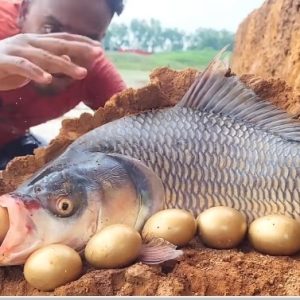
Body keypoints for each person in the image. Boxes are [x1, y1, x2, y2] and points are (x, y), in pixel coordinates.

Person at [0, 0, 127, 170]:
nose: (65, 57)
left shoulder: (93, 69)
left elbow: (147, 125)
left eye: (86, 39)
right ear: (23, 13)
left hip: (11, 146)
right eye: (51, 29)